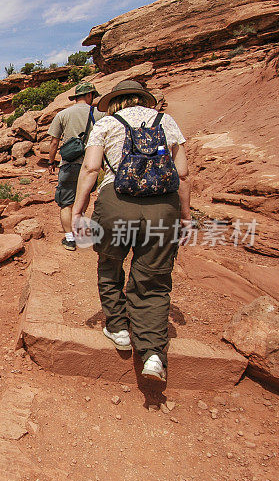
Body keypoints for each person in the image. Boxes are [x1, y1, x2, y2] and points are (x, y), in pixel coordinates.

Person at [70, 80, 191, 383]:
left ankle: (119, 327)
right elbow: (183, 173)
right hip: (163, 207)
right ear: (143, 99)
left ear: (114, 101)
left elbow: (90, 169)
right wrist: (185, 216)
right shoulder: (167, 121)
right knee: (153, 278)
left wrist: (77, 210)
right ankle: (152, 354)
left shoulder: (106, 124)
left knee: (110, 264)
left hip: (115, 203)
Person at [47, 82, 104, 251]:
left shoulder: (63, 114)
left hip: (69, 165)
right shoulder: (99, 114)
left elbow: (54, 141)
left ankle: (70, 239)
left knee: (66, 203)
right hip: (91, 165)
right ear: (89, 95)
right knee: (83, 197)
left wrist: (51, 162)